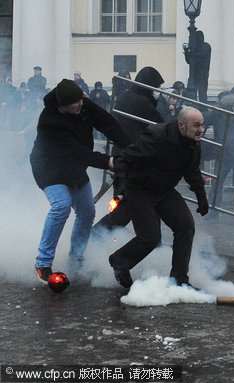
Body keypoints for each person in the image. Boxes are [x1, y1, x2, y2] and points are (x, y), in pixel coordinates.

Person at [30, 79, 130, 284]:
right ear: (62, 105)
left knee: (87, 211)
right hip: (49, 168)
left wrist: (128, 148)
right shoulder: (49, 121)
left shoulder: (83, 104)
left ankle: (76, 262)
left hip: (73, 169)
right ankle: (43, 263)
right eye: (74, 103)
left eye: (80, 100)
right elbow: (75, 152)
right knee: (61, 206)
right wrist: (109, 161)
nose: (80, 105)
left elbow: (106, 122)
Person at [108, 106, 209, 288]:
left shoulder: (194, 143)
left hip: (164, 190)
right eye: (196, 126)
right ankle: (120, 260)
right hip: (138, 188)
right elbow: (124, 158)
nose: (201, 130)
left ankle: (179, 280)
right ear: (182, 125)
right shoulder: (157, 136)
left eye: (202, 125)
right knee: (150, 237)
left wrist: (202, 197)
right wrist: (120, 187)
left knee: (185, 226)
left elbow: (192, 171)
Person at [93, 66, 165, 232]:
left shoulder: (126, 95)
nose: (156, 91)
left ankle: (100, 238)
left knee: (126, 203)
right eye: (155, 87)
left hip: (123, 154)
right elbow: (160, 125)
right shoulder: (143, 102)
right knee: (127, 206)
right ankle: (94, 237)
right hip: (135, 159)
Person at [184, 30, 211, 103]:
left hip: (202, 74)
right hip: (194, 74)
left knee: (202, 92)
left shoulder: (206, 46)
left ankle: (203, 106)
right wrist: (186, 52)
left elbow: (199, 57)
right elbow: (189, 61)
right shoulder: (195, 48)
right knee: (192, 92)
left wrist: (191, 49)